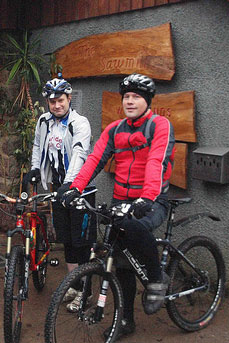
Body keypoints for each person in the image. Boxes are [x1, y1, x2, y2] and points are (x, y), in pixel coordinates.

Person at [58, 73, 175, 340]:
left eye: (136, 97)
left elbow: (156, 161)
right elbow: (95, 159)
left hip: (153, 199)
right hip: (122, 200)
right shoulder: (115, 130)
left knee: (133, 227)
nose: (130, 102)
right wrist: (74, 188)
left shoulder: (160, 125)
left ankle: (157, 278)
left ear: (147, 101)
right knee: (119, 263)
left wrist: (146, 199)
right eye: (126, 97)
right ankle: (125, 321)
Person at [24, 75, 96, 312]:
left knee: (81, 242)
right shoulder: (44, 121)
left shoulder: (80, 123)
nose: (57, 105)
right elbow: (37, 145)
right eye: (52, 101)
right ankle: (73, 285)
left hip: (79, 189)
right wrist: (35, 168)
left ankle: (86, 292)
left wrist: (69, 184)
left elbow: (79, 153)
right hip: (58, 189)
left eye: (61, 100)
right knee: (66, 240)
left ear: (69, 98)